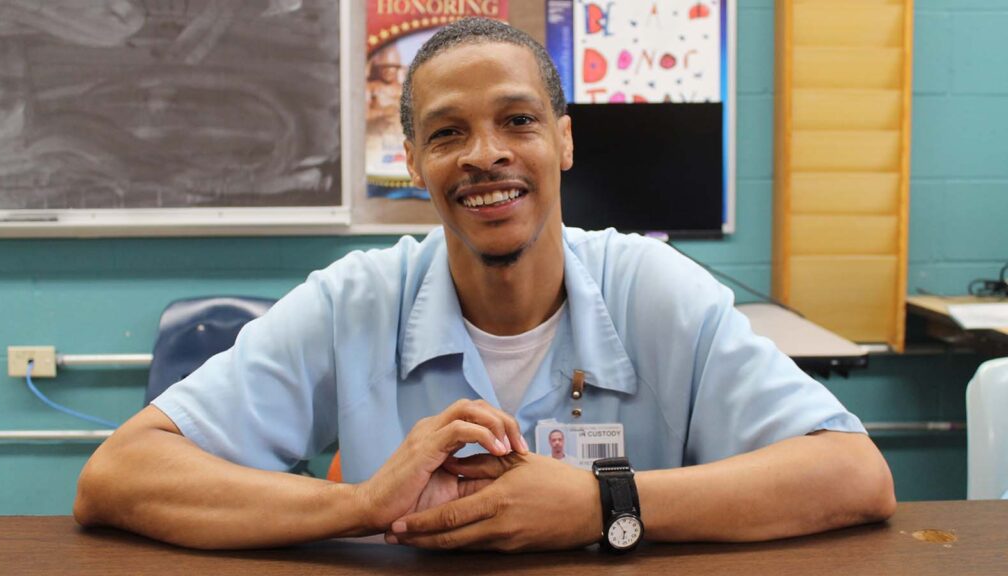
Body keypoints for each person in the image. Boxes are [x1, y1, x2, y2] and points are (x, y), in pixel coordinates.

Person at [74, 18, 895, 552]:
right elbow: (118, 475)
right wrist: (361, 505)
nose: (485, 155)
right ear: (415, 164)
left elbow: (854, 474)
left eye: (517, 121)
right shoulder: (356, 300)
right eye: (447, 133)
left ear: (564, 142)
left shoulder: (651, 287)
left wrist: (601, 503)